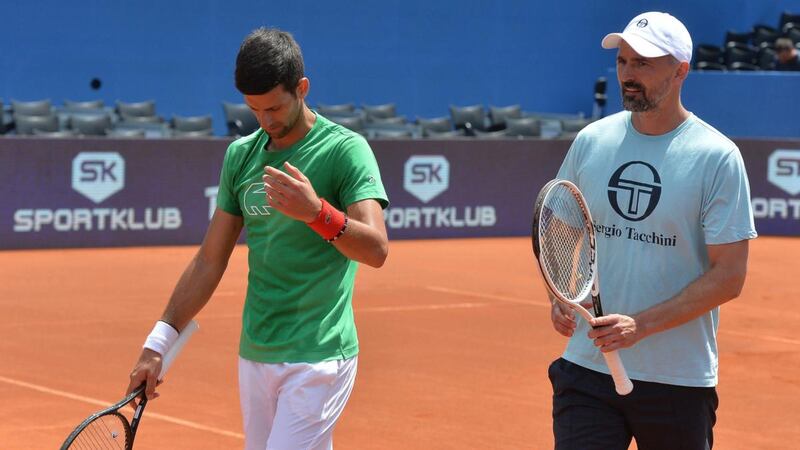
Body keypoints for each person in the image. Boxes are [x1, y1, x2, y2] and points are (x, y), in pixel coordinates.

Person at [126, 27, 389, 450]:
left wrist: (316, 213)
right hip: (256, 353)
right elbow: (210, 260)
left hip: (320, 354)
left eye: (274, 107)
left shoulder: (345, 150)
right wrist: (158, 343)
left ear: (302, 88)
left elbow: (376, 250)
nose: (266, 121)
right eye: (254, 110)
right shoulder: (241, 155)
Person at [546, 12, 757, 450]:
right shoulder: (591, 140)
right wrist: (562, 295)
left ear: (680, 71)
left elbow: (729, 276)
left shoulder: (717, 156)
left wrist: (639, 326)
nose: (628, 74)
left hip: (676, 380)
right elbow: (559, 224)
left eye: (643, 63)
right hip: (587, 370)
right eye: (623, 62)